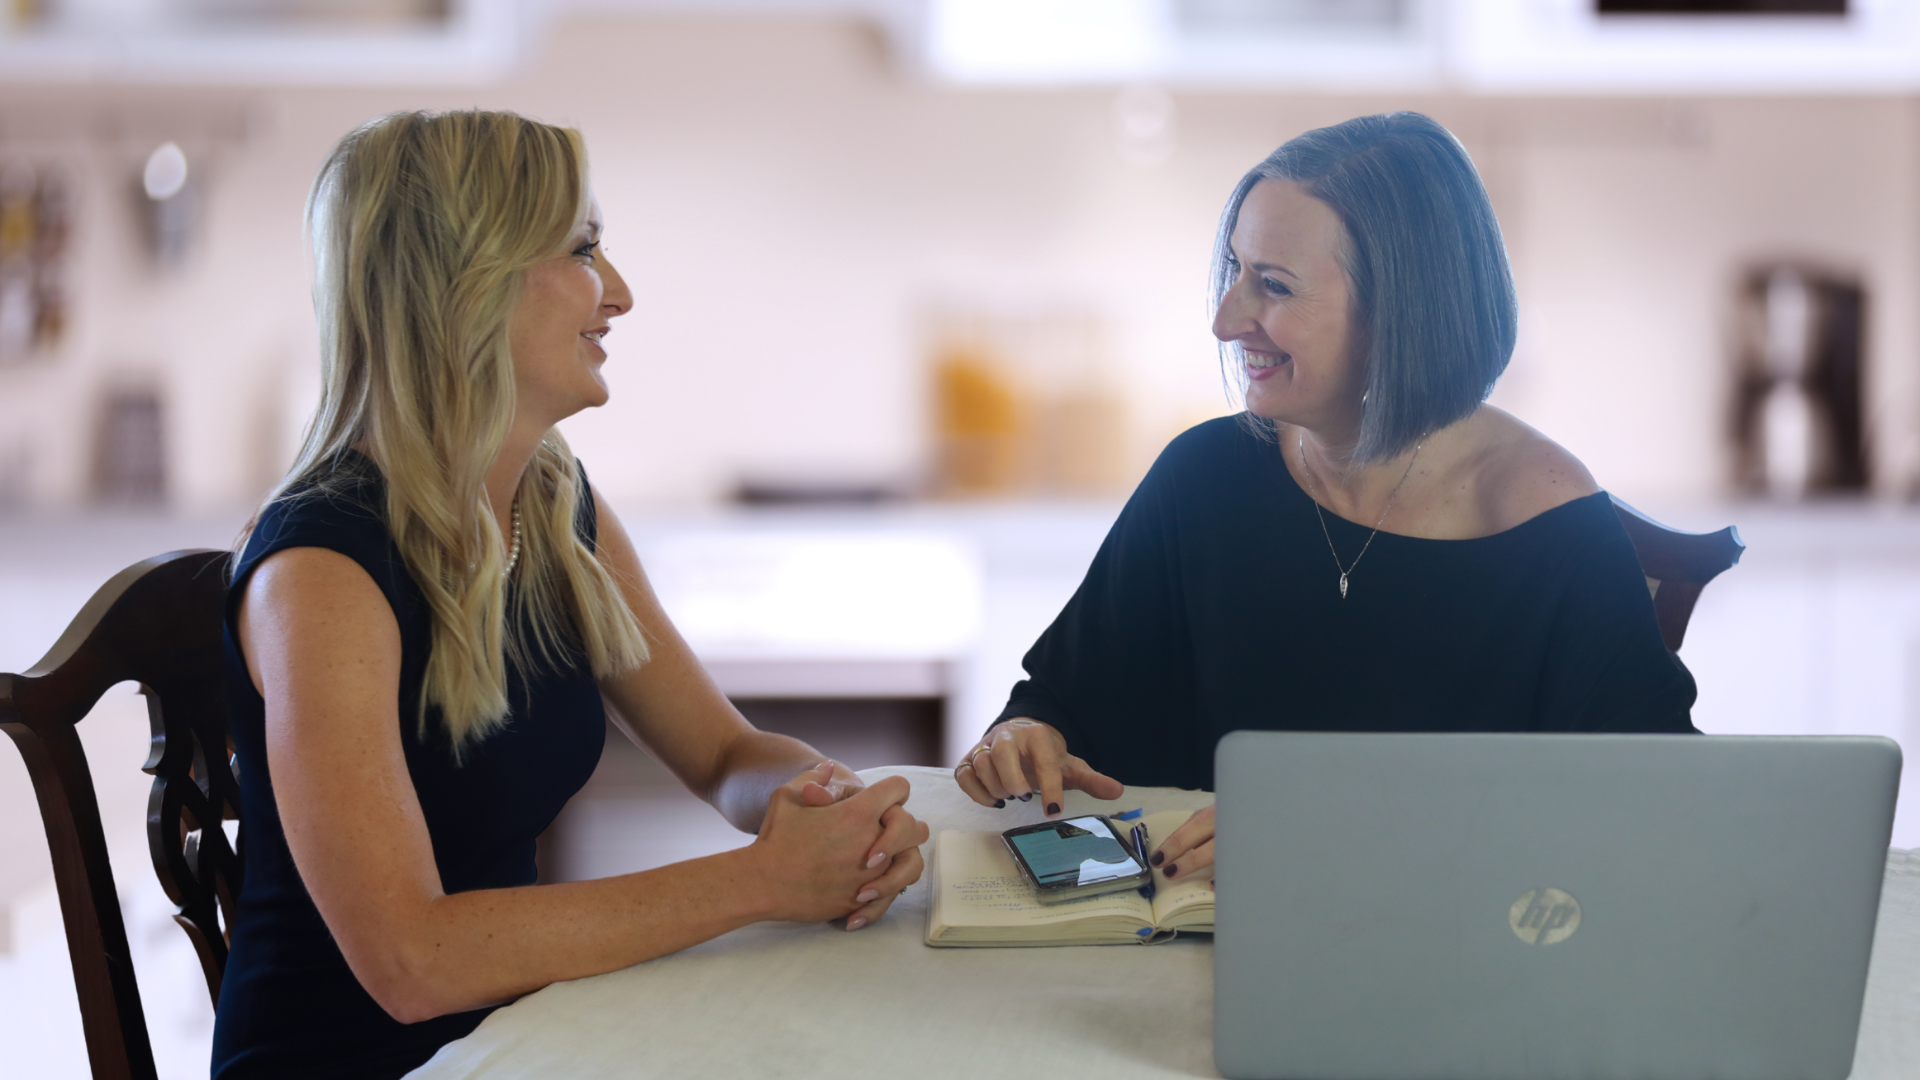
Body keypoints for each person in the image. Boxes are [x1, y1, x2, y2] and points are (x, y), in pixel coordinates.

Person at [215, 110, 927, 1080]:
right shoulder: (322, 567)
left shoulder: (552, 505)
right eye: (586, 250)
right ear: (468, 284)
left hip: (516, 1047)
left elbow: (724, 755)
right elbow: (411, 960)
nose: (622, 294)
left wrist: (825, 807)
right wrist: (765, 881)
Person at [953, 111, 1696, 888]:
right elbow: (1066, 702)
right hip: (1182, 948)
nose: (1225, 319)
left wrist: (1331, 835)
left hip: (1428, 971)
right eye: (1235, 272)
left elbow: (1652, 813)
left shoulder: (1547, 524)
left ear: (1401, 315)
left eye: (1272, 285)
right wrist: (1025, 735)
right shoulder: (1203, 476)